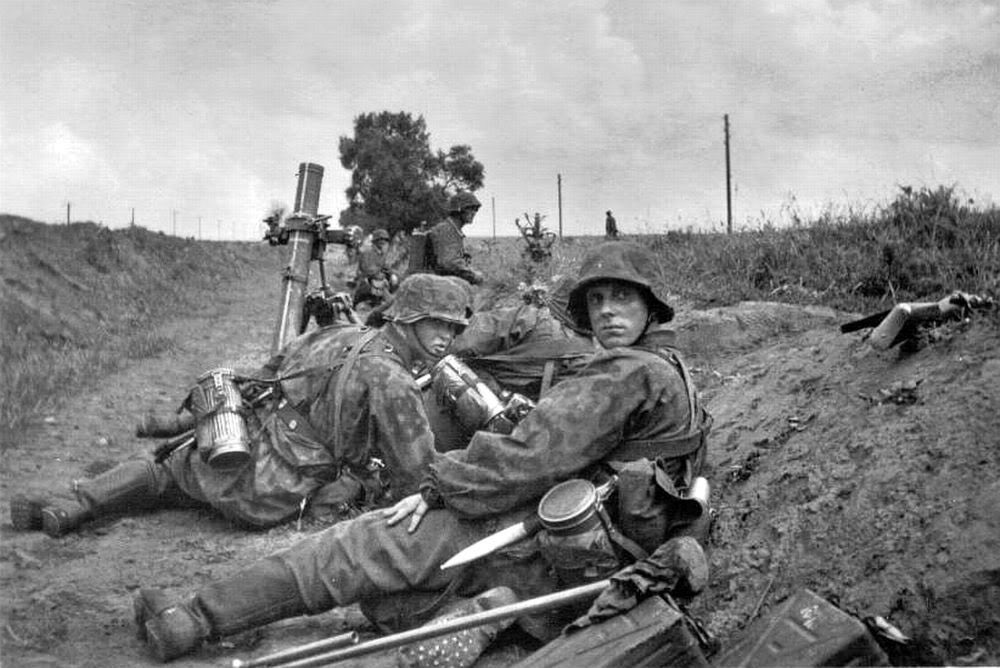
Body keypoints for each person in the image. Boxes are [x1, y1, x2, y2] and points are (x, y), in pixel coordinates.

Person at [133, 241, 713, 663]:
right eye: (597, 300)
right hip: (602, 542)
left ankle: (191, 620)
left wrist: (438, 487)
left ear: (650, 308)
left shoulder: (624, 372)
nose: (607, 312)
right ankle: (487, 604)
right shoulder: (672, 368)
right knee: (395, 593)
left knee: (365, 543)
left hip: (557, 538)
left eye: (623, 300)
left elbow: (525, 457)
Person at [10, 274, 474, 537]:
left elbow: (266, 374)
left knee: (169, 472)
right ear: (409, 319)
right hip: (273, 494)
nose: (446, 338)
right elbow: (419, 476)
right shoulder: (393, 380)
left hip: (236, 454)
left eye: (453, 329)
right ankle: (71, 508)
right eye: (437, 324)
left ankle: (72, 506)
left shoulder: (339, 332)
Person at [426, 191, 485, 285]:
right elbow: (449, 263)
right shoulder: (446, 230)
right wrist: (473, 275)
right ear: (459, 210)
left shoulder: (452, 230)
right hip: (434, 283)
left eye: (476, 209)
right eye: (470, 208)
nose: (474, 212)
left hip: (439, 281)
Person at [353, 227, 399, 307]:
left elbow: (386, 267)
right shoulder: (367, 252)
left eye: (384, 239)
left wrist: (392, 274)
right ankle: (387, 303)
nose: (382, 241)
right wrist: (380, 273)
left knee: (394, 279)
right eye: (380, 239)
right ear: (375, 241)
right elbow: (367, 269)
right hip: (366, 281)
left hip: (377, 279)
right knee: (379, 282)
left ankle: (385, 301)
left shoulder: (382, 254)